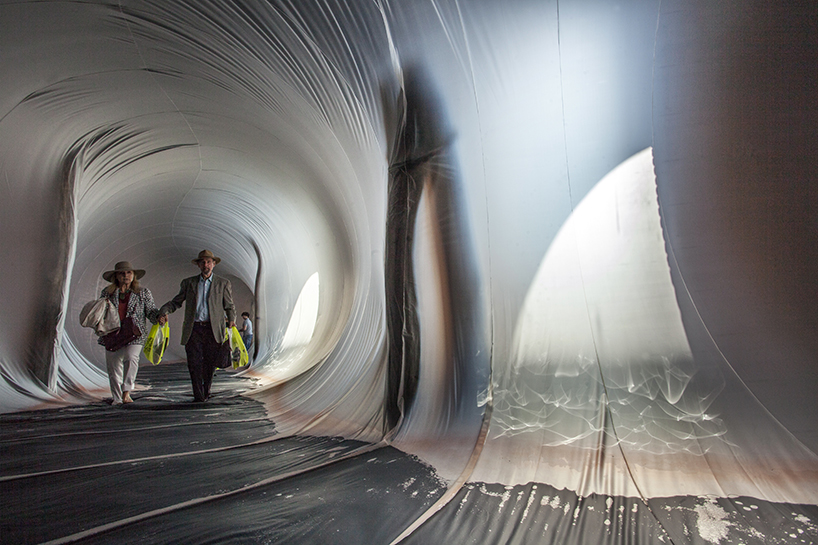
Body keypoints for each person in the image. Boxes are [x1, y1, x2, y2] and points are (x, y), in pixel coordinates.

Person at [158, 250, 235, 402]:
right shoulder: (189, 283)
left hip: (213, 329)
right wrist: (164, 311)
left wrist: (232, 319)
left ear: (213, 264)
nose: (206, 265)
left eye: (208, 262)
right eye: (203, 262)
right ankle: (198, 395)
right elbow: (176, 301)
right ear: (199, 265)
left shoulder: (223, 283)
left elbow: (229, 305)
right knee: (194, 362)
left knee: (210, 362)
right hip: (194, 328)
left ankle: (206, 390)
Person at [99, 261, 161, 404]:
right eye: (122, 273)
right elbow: (101, 312)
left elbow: (151, 310)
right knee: (113, 366)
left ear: (133, 276)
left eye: (129, 273)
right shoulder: (107, 293)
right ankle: (116, 397)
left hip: (134, 333)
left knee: (131, 357)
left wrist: (158, 317)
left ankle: (126, 392)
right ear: (116, 276)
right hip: (112, 333)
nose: (126, 276)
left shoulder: (142, 293)